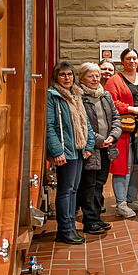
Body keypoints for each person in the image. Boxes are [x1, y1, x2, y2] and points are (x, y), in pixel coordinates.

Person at [46, 61, 95, 245]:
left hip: (79, 149)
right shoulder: (53, 96)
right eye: (62, 75)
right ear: (56, 77)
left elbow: (85, 123)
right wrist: (57, 151)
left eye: (69, 74)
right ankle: (64, 230)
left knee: (74, 190)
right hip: (65, 151)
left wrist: (89, 145)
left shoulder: (76, 95)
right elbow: (49, 126)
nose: (67, 78)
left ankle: (70, 228)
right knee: (65, 191)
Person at [105, 48, 138, 218]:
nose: (132, 61)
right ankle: (121, 203)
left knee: (137, 165)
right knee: (123, 166)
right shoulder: (114, 80)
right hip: (124, 129)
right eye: (129, 58)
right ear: (122, 61)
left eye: (135, 58)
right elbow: (110, 102)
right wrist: (130, 109)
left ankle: (132, 198)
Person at [77, 63, 121, 235]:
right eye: (90, 76)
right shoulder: (79, 98)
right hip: (91, 148)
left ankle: (96, 218)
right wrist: (99, 140)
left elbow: (116, 117)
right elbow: (81, 125)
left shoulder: (105, 96)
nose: (95, 79)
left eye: (97, 75)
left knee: (99, 184)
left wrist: (113, 136)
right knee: (89, 184)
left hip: (107, 147)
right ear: (81, 79)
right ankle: (89, 221)